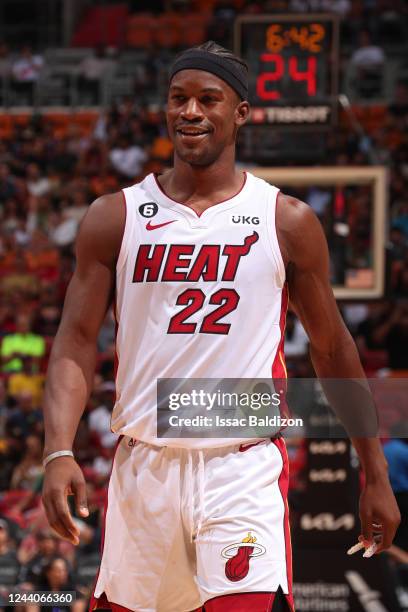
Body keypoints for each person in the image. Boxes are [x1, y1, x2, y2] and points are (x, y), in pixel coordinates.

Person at [41, 41, 400, 611]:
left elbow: (333, 349)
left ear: (241, 113)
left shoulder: (285, 220)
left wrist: (373, 470)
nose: (191, 111)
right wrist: (58, 450)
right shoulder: (117, 216)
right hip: (144, 464)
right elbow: (75, 342)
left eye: (209, 99)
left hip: (241, 463)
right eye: (179, 98)